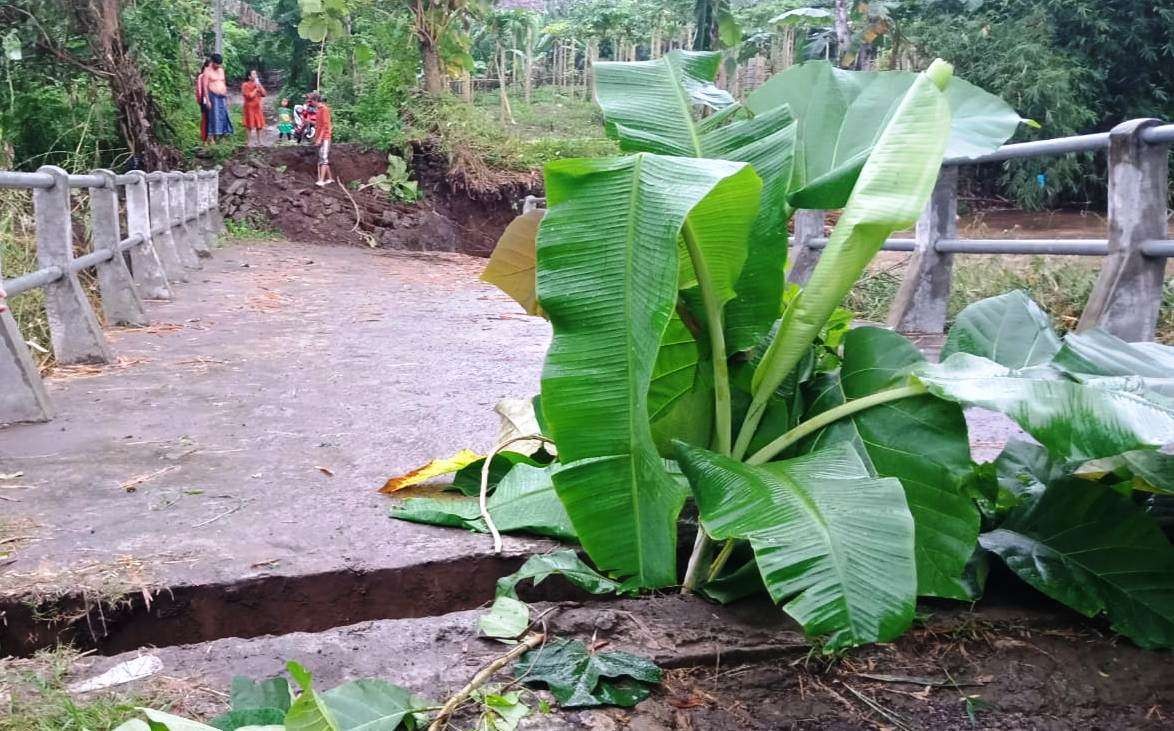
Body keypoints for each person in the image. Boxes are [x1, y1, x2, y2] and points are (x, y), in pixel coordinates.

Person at [201, 53, 233, 142]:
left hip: (222, 96)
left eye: (219, 64)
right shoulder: (207, 71)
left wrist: (227, 96)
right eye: (216, 64)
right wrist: (207, 100)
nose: (218, 65)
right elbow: (205, 87)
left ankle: (222, 136)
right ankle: (212, 138)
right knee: (214, 116)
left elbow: (224, 83)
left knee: (223, 115)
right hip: (212, 96)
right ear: (212, 62)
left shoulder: (221, 70)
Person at [308, 92, 334, 187]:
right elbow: (318, 125)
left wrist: (319, 138)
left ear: (315, 100)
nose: (310, 103)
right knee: (322, 157)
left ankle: (321, 180)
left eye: (311, 101)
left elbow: (325, 125)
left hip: (325, 137)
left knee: (323, 158)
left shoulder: (324, 109)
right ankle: (330, 178)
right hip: (320, 136)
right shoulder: (318, 110)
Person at [241, 69, 267, 147]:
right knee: (249, 125)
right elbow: (250, 96)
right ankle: (249, 142)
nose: (255, 75)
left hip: (257, 107)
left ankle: (259, 141)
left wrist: (259, 85)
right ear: (249, 77)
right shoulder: (245, 85)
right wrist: (256, 89)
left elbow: (264, 94)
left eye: (256, 74)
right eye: (253, 74)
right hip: (249, 107)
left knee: (259, 124)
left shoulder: (258, 84)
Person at [196, 59, 212, 145]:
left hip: (212, 100)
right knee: (205, 119)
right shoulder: (201, 77)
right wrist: (201, 100)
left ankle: (211, 138)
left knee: (212, 119)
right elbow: (199, 91)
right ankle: (204, 139)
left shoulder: (212, 76)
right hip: (204, 101)